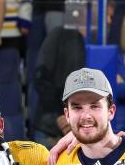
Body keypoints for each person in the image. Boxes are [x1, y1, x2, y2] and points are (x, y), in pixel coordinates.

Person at [32, 10, 85, 147]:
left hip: (84, 132)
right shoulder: (60, 35)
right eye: (107, 16)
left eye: (111, 17)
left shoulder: (101, 44)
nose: (109, 21)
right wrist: (62, 114)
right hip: (52, 129)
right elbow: (41, 78)